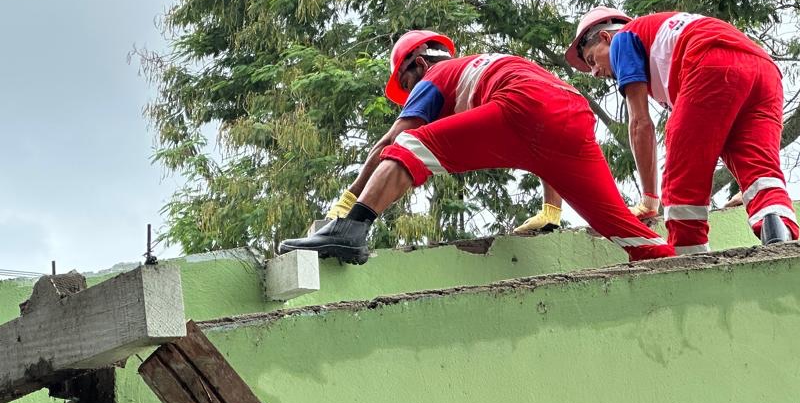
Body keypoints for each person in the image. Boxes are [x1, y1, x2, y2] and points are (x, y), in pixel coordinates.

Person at [278, 30, 676, 265]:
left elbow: (391, 141)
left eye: (407, 84)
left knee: (408, 147)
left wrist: (346, 203)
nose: (411, 95)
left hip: (521, 105)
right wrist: (551, 211)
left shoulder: (434, 77)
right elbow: (545, 129)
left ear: (419, 64)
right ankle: (681, 262)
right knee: (624, 230)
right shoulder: (483, 66)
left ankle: (350, 231)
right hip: (573, 112)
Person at [565, 8, 798, 255]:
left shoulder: (623, 39)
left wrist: (649, 200)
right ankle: (778, 235)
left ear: (605, 37)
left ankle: (690, 261)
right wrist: (746, 186)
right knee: (759, 168)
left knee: (683, 172)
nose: (595, 73)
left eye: (592, 60)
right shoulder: (658, 42)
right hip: (764, 70)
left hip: (711, 60)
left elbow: (640, 124)